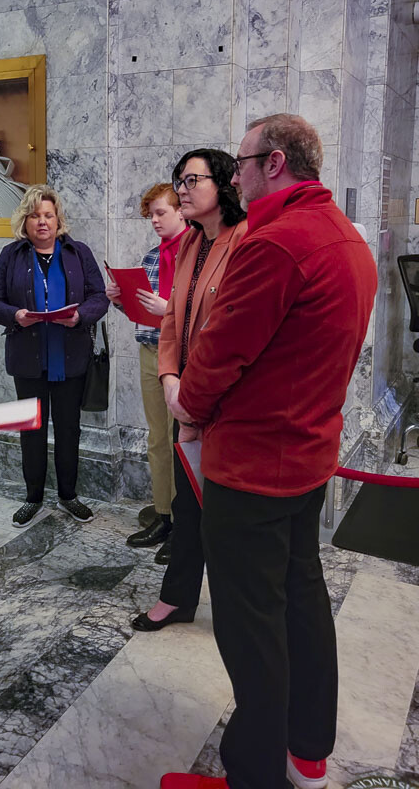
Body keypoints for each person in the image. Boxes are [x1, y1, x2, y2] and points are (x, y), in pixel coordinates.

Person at [161, 115, 377, 789]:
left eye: (242, 164)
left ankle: (255, 774)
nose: (235, 176)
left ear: (275, 163)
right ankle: (308, 750)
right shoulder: (346, 236)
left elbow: (221, 352)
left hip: (254, 466)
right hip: (306, 456)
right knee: (302, 601)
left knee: (251, 629)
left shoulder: (275, 243)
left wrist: (186, 406)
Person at [130, 150, 247, 631]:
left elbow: (229, 334)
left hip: (223, 401)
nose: (181, 188)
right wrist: (171, 379)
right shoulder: (192, 244)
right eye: (178, 179)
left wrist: (193, 393)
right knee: (188, 505)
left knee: (226, 514)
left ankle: (238, 609)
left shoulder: (245, 240)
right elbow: (174, 319)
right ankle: (177, 598)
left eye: (192, 179)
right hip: (184, 393)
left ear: (223, 184)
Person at [0, 184, 109, 527]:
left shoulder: (78, 252)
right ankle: (33, 498)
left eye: (48, 215)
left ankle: (68, 495)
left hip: (70, 356)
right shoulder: (12, 255)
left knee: (69, 428)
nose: (42, 222)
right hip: (28, 358)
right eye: (35, 215)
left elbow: (99, 297)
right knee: (32, 429)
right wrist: (16, 315)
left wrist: (80, 315)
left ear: (58, 220)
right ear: (25, 221)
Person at [106, 183, 187, 554]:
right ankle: (164, 515)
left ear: (181, 211)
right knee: (157, 437)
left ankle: (187, 522)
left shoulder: (200, 254)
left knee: (183, 440)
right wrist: (122, 299)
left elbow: (205, 314)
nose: (153, 220)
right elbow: (144, 315)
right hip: (151, 351)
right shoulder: (152, 258)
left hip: (187, 356)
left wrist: (165, 308)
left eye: (160, 213)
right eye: (150, 214)